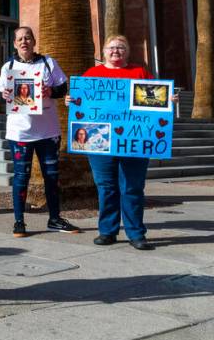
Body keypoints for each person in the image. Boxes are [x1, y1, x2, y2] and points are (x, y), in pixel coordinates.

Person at [65, 34, 174, 251]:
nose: (116, 51)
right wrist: (71, 101)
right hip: (99, 141)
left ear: (128, 52)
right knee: (106, 187)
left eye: (121, 47)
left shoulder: (140, 73)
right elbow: (83, 105)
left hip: (134, 140)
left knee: (133, 188)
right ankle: (108, 231)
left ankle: (136, 234)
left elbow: (153, 103)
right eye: (112, 47)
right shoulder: (92, 74)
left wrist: (168, 100)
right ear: (104, 51)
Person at [0, 26, 79, 238]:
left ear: (34, 41)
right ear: (15, 44)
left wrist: (50, 90)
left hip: (48, 132)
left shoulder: (48, 63)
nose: (24, 42)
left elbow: (63, 88)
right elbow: (0, 96)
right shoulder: (8, 67)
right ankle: (19, 221)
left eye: (28, 38)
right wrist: (5, 94)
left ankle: (54, 219)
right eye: (20, 39)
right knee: (21, 177)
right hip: (20, 133)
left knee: (51, 176)